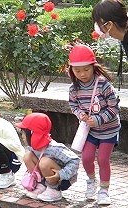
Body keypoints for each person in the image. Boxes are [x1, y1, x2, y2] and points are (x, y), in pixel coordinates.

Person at [68, 44, 121, 205]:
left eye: (86, 69)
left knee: (103, 159)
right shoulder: (74, 89)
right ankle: (91, 182)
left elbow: (114, 108)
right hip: (90, 131)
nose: (82, 74)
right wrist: (80, 115)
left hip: (108, 130)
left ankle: (104, 190)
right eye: (77, 71)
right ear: (71, 71)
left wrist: (98, 119)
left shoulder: (103, 84)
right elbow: (73, 106)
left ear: (93, 67)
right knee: (86, 158)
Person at [15, 113, 80, 202]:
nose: (21, 136)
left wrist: (61, 174)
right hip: (47, 177)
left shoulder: (54, 148)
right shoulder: (33, 147)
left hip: (62, 180)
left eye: (23, 133)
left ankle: (54, 190)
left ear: (32, 133)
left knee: (44, 162)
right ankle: (41, 186)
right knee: (27, 156)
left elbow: (75, 160)